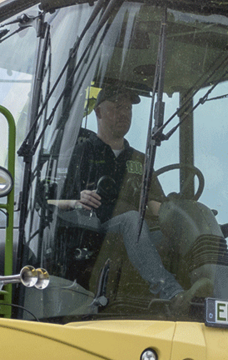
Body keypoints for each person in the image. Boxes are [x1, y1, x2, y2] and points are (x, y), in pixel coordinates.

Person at [56, 83, 185, 303]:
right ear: (98, 112)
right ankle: (171, 293)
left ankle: (219, 295)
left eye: (128, 109)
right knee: (132, 220)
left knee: (189, 229)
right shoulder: (80, 153)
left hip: (136, 235)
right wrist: (77, 200)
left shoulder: (139, 159)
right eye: (116, 107)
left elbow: (155, 205)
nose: (123, 113)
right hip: (94, 232)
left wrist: (181, 216)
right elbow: (52, 201)